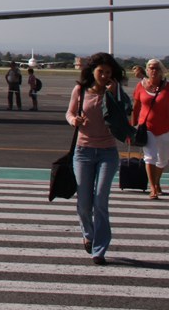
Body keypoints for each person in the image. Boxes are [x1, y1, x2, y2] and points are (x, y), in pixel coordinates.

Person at [67, 52, 125, 265]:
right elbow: (69, 112)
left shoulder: (115, 92)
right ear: (92, 72)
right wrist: (74, 120)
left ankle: (99, 249)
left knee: (100, 200)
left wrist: (114, 94)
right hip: (83, 151)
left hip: (108, 152)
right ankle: (88, 234)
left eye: (108, 72)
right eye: (101, 71)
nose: (104, 75)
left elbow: (124, 114)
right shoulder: (80, 91)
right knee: (84, 202)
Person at [130, 58, 169, 200]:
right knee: (150, 156)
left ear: (161, 71)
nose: (153, 70)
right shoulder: (140, 86)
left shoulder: (167, 87)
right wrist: (132, 127)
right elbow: (136, 107)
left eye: (156, 68)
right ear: (147, 70)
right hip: (146, 128)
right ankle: (152, 187)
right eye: (151, 68)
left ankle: (157, 181)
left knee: (163, 159)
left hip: (165, 128)